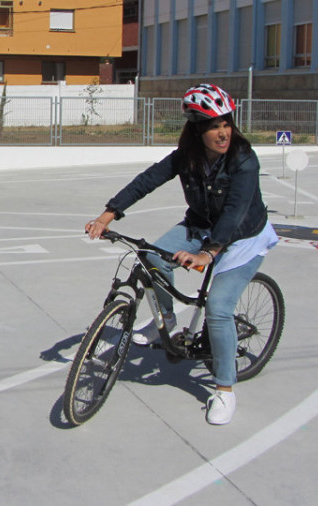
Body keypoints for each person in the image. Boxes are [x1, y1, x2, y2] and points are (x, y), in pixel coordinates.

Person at [85, 83, 278, 426]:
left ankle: (224, 390)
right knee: (152, 257)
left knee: (218, 310)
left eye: (226, 123)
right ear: (197, 130)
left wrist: (210, 252)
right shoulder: (186, 157)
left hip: (243, 237)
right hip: (201, 227)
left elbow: (235, 210)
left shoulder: (244, 159)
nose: (222, 133)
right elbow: (147, 180)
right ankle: (169, 322)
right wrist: (108, 213)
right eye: (213, 126)